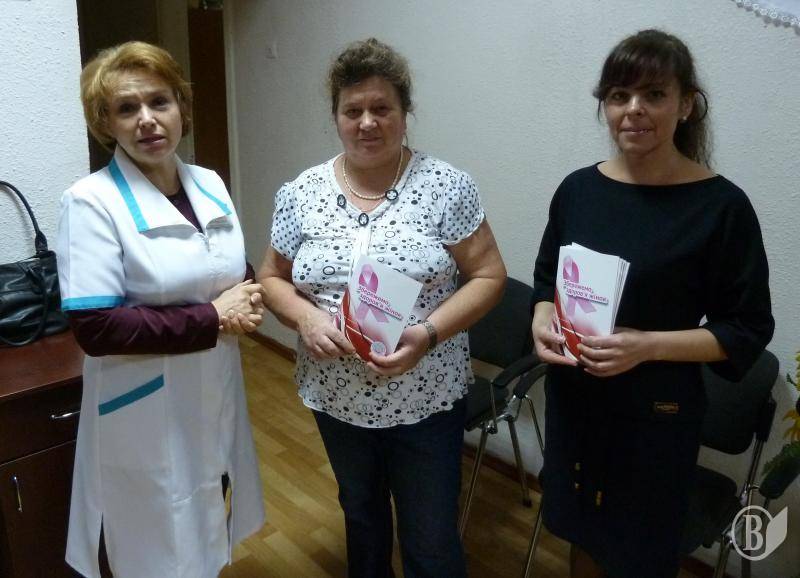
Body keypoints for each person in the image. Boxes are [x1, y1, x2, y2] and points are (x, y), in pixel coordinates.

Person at [258, 38, 506, 578]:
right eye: (353, 111)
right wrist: (305, 318)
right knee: (362, 516)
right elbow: (271, 277)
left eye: (381, 108)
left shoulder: (446, 186)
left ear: (404, 112)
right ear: (336, 117)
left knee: (431, 539)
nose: (367, 122)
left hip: (426, 395)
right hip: (335, 394)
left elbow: (490, 276)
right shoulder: (301, 193)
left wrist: (428, 334)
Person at [531, 29, 774, 578]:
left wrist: (646, 346)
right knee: (581, 531)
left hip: (656, 413)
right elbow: (548, 277)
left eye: (654, 94)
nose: (634, 109)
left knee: (639, 550)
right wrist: (542, 316)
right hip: (575, 400)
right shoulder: (578, 190)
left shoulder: (722, 208)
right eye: (619, 95)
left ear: (686, 105)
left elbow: (746, 328)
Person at [56, 41, 265, 578]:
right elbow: (96, 327)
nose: (147, 120)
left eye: (159, 101)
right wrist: (215, 318)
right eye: (127, 108)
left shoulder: (209, 184)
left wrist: (248, 295)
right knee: (157, 542)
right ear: (106, 123)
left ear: (181, 107)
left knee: (207, 514)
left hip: (213, 384)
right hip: (144, 405)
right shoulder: (90, 201)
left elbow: (227, 269)